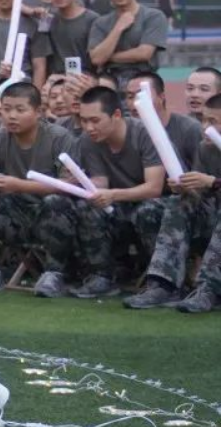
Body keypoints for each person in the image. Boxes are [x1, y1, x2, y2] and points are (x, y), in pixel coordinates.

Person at [0, 82, 78, 294]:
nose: (11, 116)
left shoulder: (59, 137)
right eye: (7, 109)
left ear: (38, 112)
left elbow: (70, 185)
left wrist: (19, 185)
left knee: (56, 202)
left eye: (20, 110)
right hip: (13, 213)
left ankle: (55, 273)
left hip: (49, 214)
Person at [49, 87, 165, 299]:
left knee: (147, 210)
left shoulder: (145, 134)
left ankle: (161, 282)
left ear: (117, 115)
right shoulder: (89, 140)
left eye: (95, 120)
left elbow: (154, 188)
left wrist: (112, 195)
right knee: (88, 205)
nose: (89, 127)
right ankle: (101, 276)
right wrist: (82, 184)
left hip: (155, 203)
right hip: (119, 203)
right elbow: (101, 181)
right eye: (84, 121)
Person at [128, 92, 221, 312]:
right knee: (178, 202)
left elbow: (211, 184)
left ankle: (209, 289)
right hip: (213, 217)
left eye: (213, 121)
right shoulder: (205, 148)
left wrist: (212, 182)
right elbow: (203, 196)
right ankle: (164, 284)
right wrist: (187, 187)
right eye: (203, 120)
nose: (205, 127)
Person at [88, 0, 169, 87]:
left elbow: (144, 53)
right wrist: (118, 28)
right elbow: (96, 59)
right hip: (109, 77)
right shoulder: (100, 23)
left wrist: (108, 57)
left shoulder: (153, 16)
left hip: (143, 76)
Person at [125, 71, 201, 172]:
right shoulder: (126, 131)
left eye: (142, 95)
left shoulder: (190, 129)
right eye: (130, 97)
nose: (135, 103)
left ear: (161, 97)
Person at [32, 0, 94, 78]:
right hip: (56, 79)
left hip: (85, 78)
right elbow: (40, 57)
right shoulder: (47, 19)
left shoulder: (92, 20)